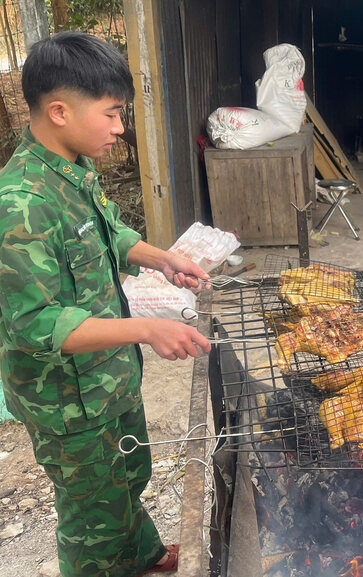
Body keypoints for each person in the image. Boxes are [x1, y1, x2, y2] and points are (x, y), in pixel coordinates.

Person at [0, 32, 212, 577]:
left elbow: (106, 231)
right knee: (92, 511)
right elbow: (36, 324)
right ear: (59, 111)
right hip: (65, 400)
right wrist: (146, 328)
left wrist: (162, 258)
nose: (121, 128)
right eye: (113, 114)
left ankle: (141, 559)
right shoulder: (20, 204)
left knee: (129, 475)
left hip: (107, 377)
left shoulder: (73, 169)